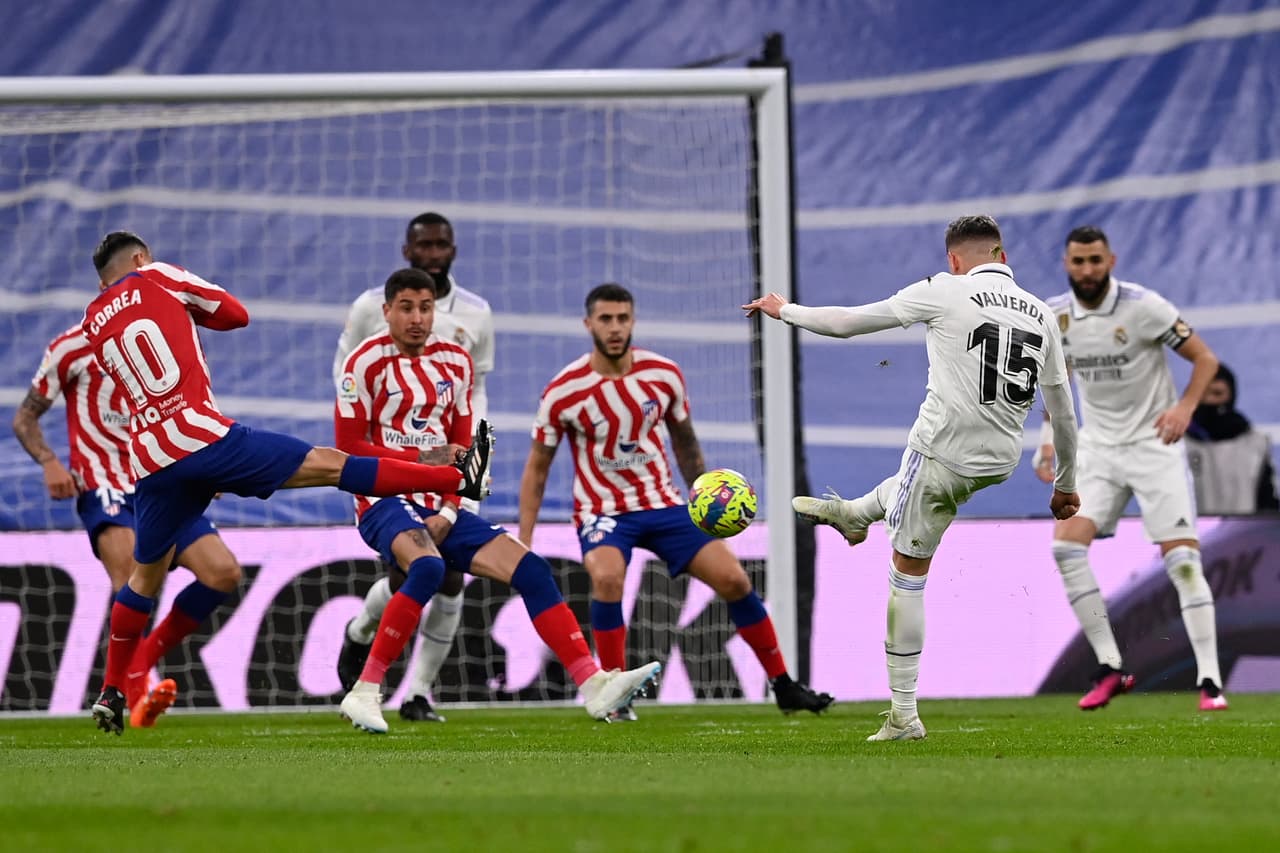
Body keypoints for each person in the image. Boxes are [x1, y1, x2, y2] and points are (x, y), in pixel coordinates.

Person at [80, 231, 492, 735]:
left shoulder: (91, 319)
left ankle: (112, 688)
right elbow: (235, 315)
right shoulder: (158, 275)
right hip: (201, 433)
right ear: (142, 258)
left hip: (150, 457)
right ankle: (456, 475)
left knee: (144, 580)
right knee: (333, 465)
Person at [746, 215, 1081, 741]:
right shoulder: (1040, 312)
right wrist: (1065, 484)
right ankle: (856, 513)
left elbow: (849, 322)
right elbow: (1063, 411)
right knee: (916, 489)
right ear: (1002, 256)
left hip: (942, 449)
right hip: (999, 460)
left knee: (907, 574)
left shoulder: (944, 289)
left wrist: (783, 309)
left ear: (954, 259)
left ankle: (904, 715)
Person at [335, 268, 660, 733]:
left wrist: (451, 508)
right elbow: (350, 448)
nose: (417, 318)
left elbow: (462, 450)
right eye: (406, 308)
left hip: (439, 501)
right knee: (427, 568)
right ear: (386, 311)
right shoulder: (363, 363)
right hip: (381, 498)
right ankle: (365, 691)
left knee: (532, 569)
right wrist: (424, 457)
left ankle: (593, 686)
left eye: (425, 308)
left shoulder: (456, 362)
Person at [519, 282, 835, 722]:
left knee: (735, 580)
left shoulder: (663, 374)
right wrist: (524, 540)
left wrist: (703, 496)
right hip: (603, 511)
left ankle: (783, 685)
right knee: (607, 578)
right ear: (588, 324)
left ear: (633, 320)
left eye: (623, 318)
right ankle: (615, 694)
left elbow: (685, 443)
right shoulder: (564, 390)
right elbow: (537, 468)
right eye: (606, 319)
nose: (615, 328)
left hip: (665, 505)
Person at [1034, 225, 1228, 712]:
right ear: (1066, 264)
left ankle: (1210, 682)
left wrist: (1184, 408)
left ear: (1111, 261)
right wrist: (1047, 442)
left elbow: (1205, 360)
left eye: (1095, 260)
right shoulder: (1055, 315)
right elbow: (1056, 382)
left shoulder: (1145, 307)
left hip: (1154, 447)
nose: (1087, 270)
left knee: (1183, 562)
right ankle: (1110, 667)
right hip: (1099, 450)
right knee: (1065, 549)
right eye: (1078, 261)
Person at [14, 322, 243, 729]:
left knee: (222, 572)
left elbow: (195, 412)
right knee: (132, 580)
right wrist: (49, 462)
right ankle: (133, 693)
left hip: (163, 480)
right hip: (105, 485)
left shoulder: (162, 342)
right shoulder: (71, 347)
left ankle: (140, 665)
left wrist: (209, 466)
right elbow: (25, 418)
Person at [333, 212, 495, 723]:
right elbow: (346, 376)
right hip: (390, 457)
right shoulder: (369, 307)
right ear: (407, 250)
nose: (433, 253)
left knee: (450, 576)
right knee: (411, 569)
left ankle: (419, 692)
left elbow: (475, 389)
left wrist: (473, 455)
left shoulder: (477, 313)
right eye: (424, 245)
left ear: (453, 249)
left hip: (454, 455)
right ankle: (362, 631)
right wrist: (373, 449)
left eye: (441, 244)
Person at [1184, 364, 1280, 515]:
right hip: (1189, 529)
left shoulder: (1255, 444)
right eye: (1202, 392)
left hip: (1244, 529)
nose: (1209, 400)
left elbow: (1268, 503)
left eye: (1217, 393)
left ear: (1230, 396)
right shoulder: (1177, 444)